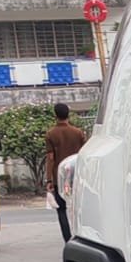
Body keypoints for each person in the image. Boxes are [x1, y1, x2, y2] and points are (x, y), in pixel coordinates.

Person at [45, 102, 86, 243]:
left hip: (60, 179)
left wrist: (49, 179)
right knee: (78, 207)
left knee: (61, 209)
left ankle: (68, 239)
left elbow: (51, 158)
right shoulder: (78, 133)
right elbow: (84, 155)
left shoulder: (51, 134)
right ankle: (82, 237)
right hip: (76, 177)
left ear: (55, 115)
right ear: (68, 114)